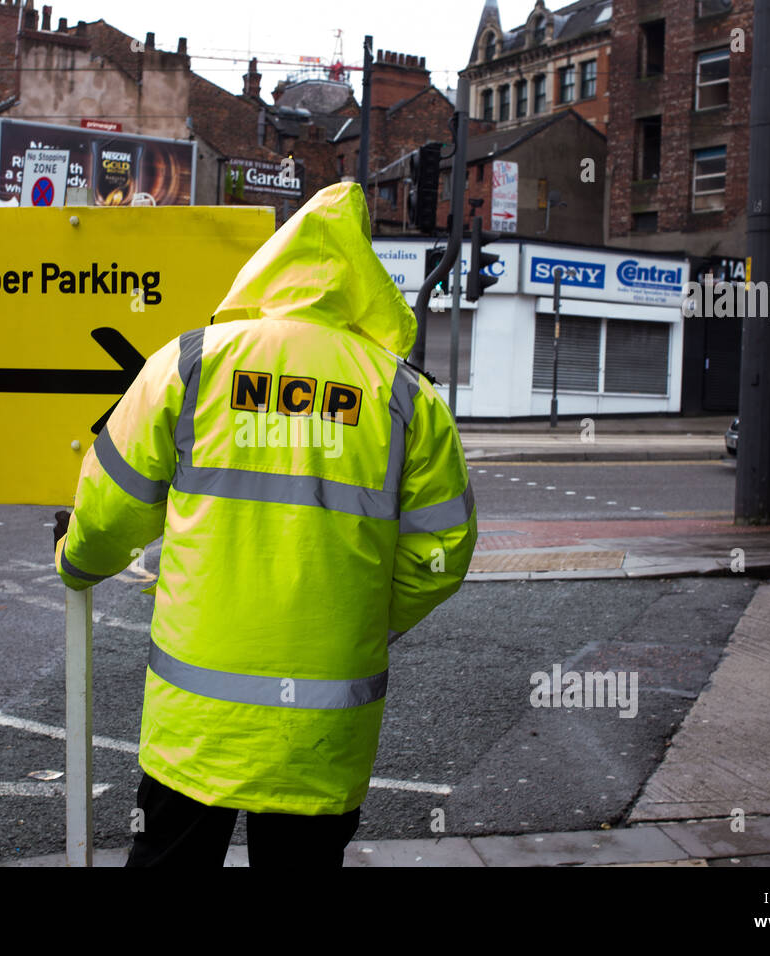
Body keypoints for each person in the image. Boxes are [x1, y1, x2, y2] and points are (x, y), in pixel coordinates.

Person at [53, 182, 477, 867]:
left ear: (271, 268)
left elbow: (113, 500)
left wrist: (77, 562)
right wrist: (366, 618)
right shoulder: (405, 397)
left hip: (197, 723)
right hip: (323, 727)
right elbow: (442, 555)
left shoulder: (194, 363)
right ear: (363, 283)